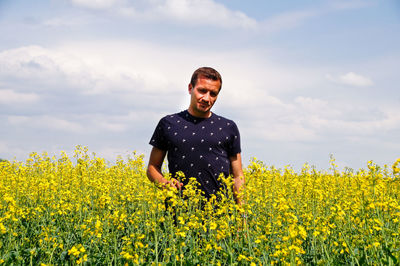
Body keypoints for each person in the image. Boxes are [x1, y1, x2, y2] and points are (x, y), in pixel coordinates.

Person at [147, 67, 244, 206]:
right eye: (202, 91)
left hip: (220, 217)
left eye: (213, 94)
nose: (206, 98)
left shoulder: (228, 127)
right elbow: (152, 167)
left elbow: (237, 177)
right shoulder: (168, 123)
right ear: (190, 88)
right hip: (178, 213)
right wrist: (164, 183)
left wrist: (243, 217)